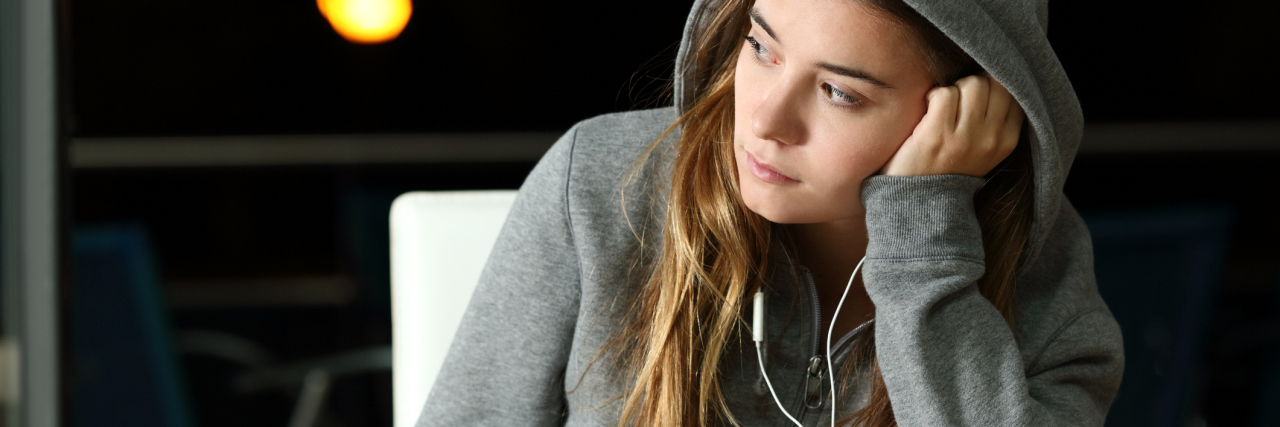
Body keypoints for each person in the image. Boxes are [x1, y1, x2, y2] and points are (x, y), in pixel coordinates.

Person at [419, 0, 1124, 425]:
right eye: (762, 47)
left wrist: (927, 249)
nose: (763, 118)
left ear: (973, 112)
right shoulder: (601, 186)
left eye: (839, 92)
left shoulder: (1046, 278)